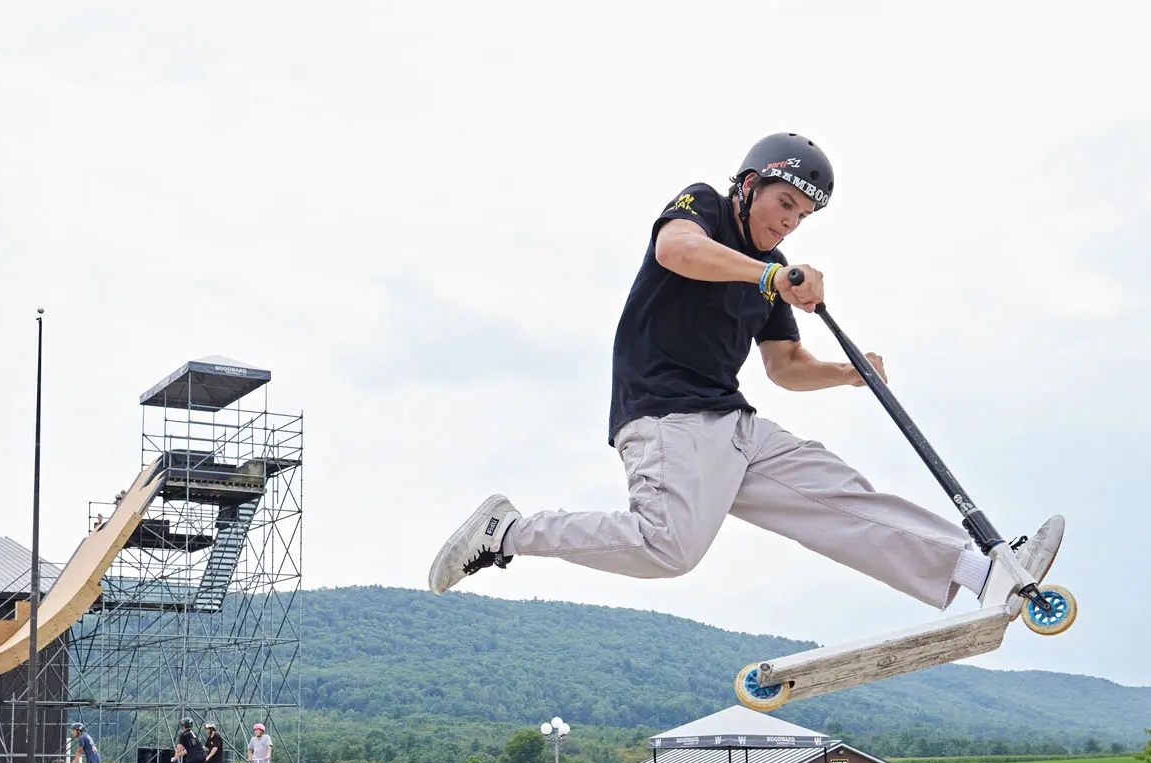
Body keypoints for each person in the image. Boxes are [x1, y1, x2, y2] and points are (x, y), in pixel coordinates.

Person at [427, 132, 1062, 623]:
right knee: (668, 549)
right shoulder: (704, 208)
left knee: (841, 496)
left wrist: (850, 374)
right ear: (750, 186)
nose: (789, 222)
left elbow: (784, 367)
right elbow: (676, 251)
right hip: (666, 417)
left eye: (802, 216)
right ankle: (507, 531)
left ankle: (984, 572)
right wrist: (767, 277)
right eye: (784, 203)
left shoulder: (773, 268)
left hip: (735, 427)